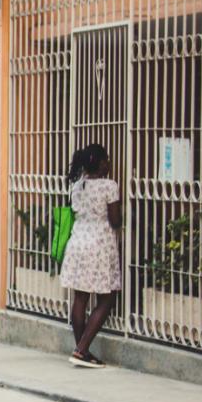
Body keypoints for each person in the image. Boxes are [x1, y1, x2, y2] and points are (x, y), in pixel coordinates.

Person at [59, 143, 122, 368]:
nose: (110, 164)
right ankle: (82, 349)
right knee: (107, 297)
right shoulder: (109, 186)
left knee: (81, 297)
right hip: (99, 245)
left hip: (77, 243)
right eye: (107, 160)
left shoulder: (77, 186)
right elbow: (115, 220)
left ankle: (82, 350)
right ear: (102, 163)